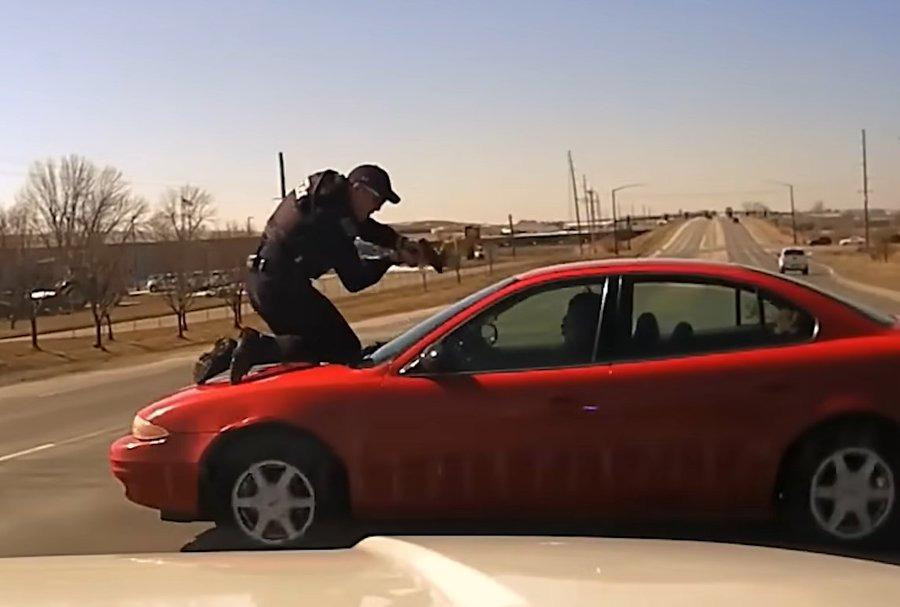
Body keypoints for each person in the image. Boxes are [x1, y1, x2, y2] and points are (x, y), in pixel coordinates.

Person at [194, 164, 429, 384]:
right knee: (344, 348)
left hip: (265, 280)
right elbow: (354, 279)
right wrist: (392, 259)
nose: (378, 207)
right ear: (357, 190)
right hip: (281, 287)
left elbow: (363, 226)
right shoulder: (331, 221)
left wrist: (398, 241)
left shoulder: (329, 198)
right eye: (377, 199)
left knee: (307, 348)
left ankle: (231, 352)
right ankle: (255, 347)